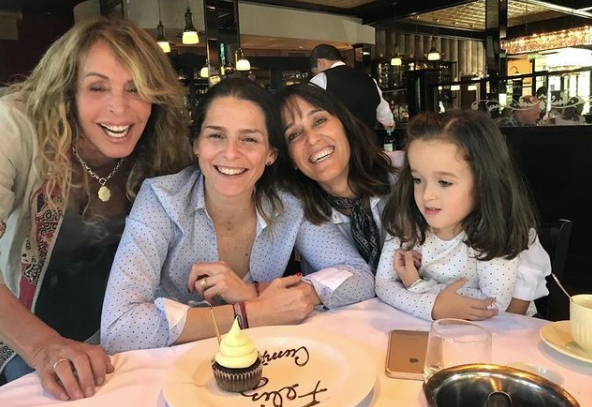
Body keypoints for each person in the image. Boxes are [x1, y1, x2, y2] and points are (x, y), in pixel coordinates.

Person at [100, 78, 374, 353]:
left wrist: (264, 294)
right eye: (216, 136)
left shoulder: (289, 204)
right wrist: (251, 312)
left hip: (260, 361)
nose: (231, 153)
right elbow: (119, 329)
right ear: (196, 144)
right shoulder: (161, 200)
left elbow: (359, 276)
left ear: (270, 154)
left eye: (249, 139)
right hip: (170, 366)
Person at [0, 18, 193, 400]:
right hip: (25, 334)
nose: (119, 108)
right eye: (97, 87)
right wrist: (44, 348)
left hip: (130, 335)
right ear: (67, 90)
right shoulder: (15, 127)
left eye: (136, 88)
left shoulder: (164, 143)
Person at [376, 110, 549, 321]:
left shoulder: (493, 230)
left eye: (444, 182)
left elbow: (493, 304)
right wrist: (434, 306)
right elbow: (383, 284)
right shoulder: (406, 221)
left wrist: (417, 286)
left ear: (484, 181)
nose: (427, 195)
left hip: (502, 332)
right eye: (418, 180)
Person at [278, 84, 401, 272]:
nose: (312, 139)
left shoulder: (405, 175)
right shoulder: (298, 213)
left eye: (319, 121)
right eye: (294, 134)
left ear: (344, 124)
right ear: (290, 159)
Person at [309, 44, 394, 141]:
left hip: (339, 143)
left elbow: (309, 114)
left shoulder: (319, 80)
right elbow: (384, 112)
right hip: (367, 143)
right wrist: (389, 125)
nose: (315, 75)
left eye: (314, 72)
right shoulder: (370, 80)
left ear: (320, 63)